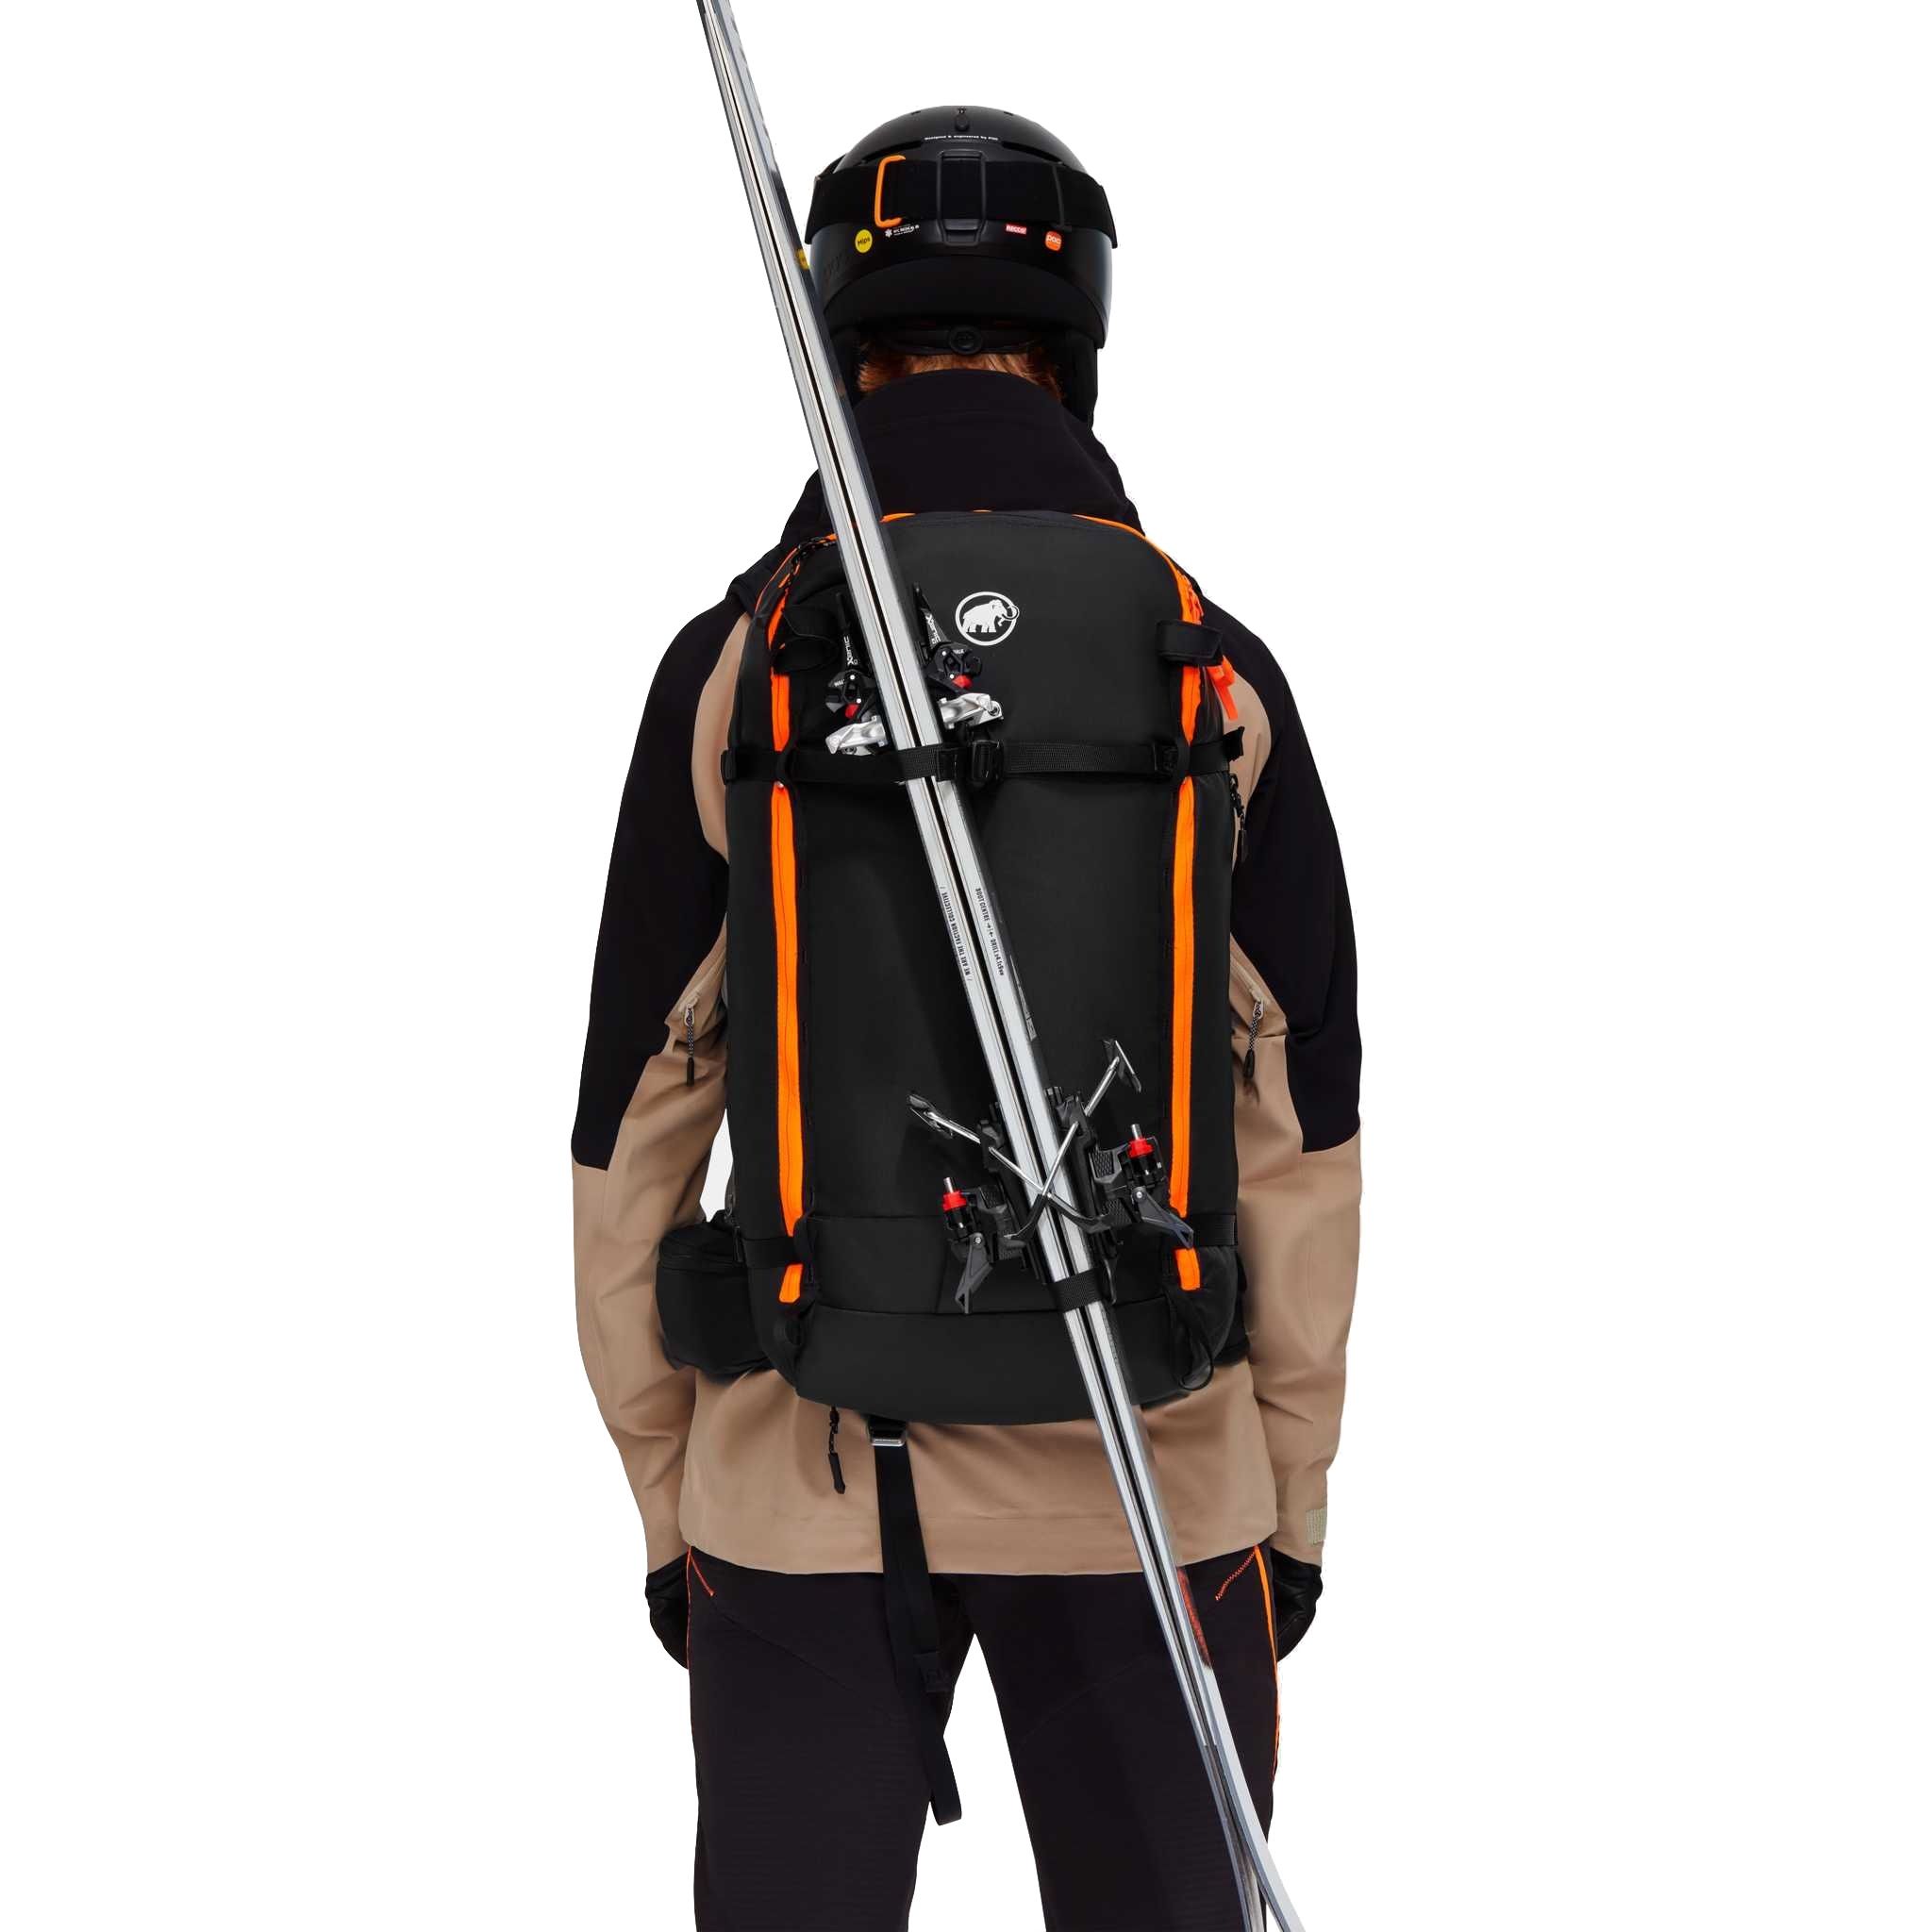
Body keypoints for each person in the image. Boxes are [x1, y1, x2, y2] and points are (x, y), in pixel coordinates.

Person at [573, 106, 1361, 1932]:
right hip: (1157, 1485)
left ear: (840, 335)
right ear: (1077, 332)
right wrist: (1289, 1497)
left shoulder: (739, 661)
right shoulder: (1209, 663)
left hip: (800, 1484)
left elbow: (635, 1124)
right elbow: (1300, 1137)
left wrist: (668, 1493)